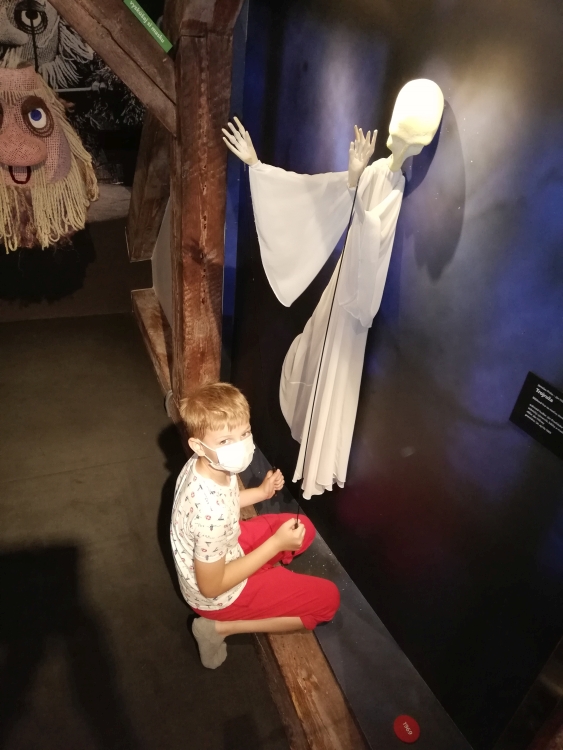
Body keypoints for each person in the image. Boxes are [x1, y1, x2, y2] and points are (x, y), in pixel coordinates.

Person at [170, 381, 340, 669]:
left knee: (303, 528)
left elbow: (226, 501)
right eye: (225, 441)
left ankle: (264, 573)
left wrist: (261, 493)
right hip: (219, 596)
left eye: (244, 433)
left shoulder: (204, 465)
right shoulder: (209, 515)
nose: (240, 445)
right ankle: (218, 628)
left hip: (227, 546)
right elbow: (211, 587)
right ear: (198, 445)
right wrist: (275, 545)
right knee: (329, 601)